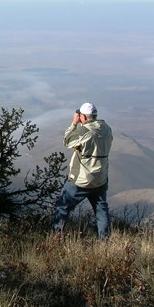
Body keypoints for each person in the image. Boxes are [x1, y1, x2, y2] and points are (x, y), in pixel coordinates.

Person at [53, 102, 113, 239]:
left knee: (63, 207)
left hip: (81, 180)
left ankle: (56, 237)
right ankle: (104, 241)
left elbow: (67, 141)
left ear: (84, 117)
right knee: (101, 211)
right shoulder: (107, 129)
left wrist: (74, 124)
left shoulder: (84, 131)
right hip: (100, 179)